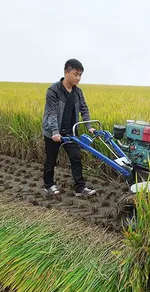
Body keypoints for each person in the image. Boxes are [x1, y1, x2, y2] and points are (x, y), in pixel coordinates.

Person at [42, 58, 97, 197]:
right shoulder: (53, 90)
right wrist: (55, 132)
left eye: (80, 75)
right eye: (75, 74)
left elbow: (84, 109)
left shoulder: (78, 92)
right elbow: (51, 113)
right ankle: (48, 185)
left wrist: (89, 126)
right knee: (51, 159)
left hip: (70, 132)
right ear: (66, 72)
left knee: (76, 157)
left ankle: (80, 188)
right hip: (53, 132)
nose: (78, 78)